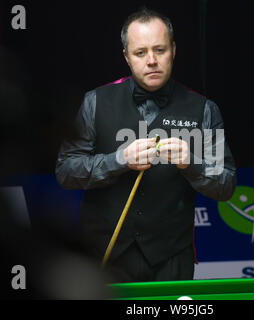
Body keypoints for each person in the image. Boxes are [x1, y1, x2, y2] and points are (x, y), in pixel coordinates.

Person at [55, 7, 237, 283]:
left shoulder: (204, 110)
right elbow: (66, 171)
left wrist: (192, 164)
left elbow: (226, 184)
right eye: (141, 53)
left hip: (172, 259)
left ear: (173, 50)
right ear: (127, 57)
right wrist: (118, 160)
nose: (151, 60)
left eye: (160, 50)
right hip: (104, 256)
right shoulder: (95, 101)